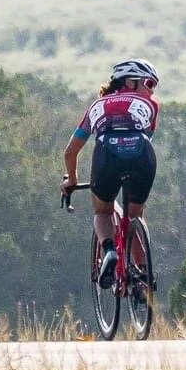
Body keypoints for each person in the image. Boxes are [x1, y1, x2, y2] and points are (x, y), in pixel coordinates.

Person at [61, 59, 161, 286]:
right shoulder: (151, 105)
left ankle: (108, 251)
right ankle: (144, 275)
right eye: (148, 83)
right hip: (141, 153)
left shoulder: (96, 107)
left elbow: (70, 152)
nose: (151, 90)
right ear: (130, 82)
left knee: (103, 212)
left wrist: (73, 179)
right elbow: (146, 135)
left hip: (106, 154)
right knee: (135, 216)